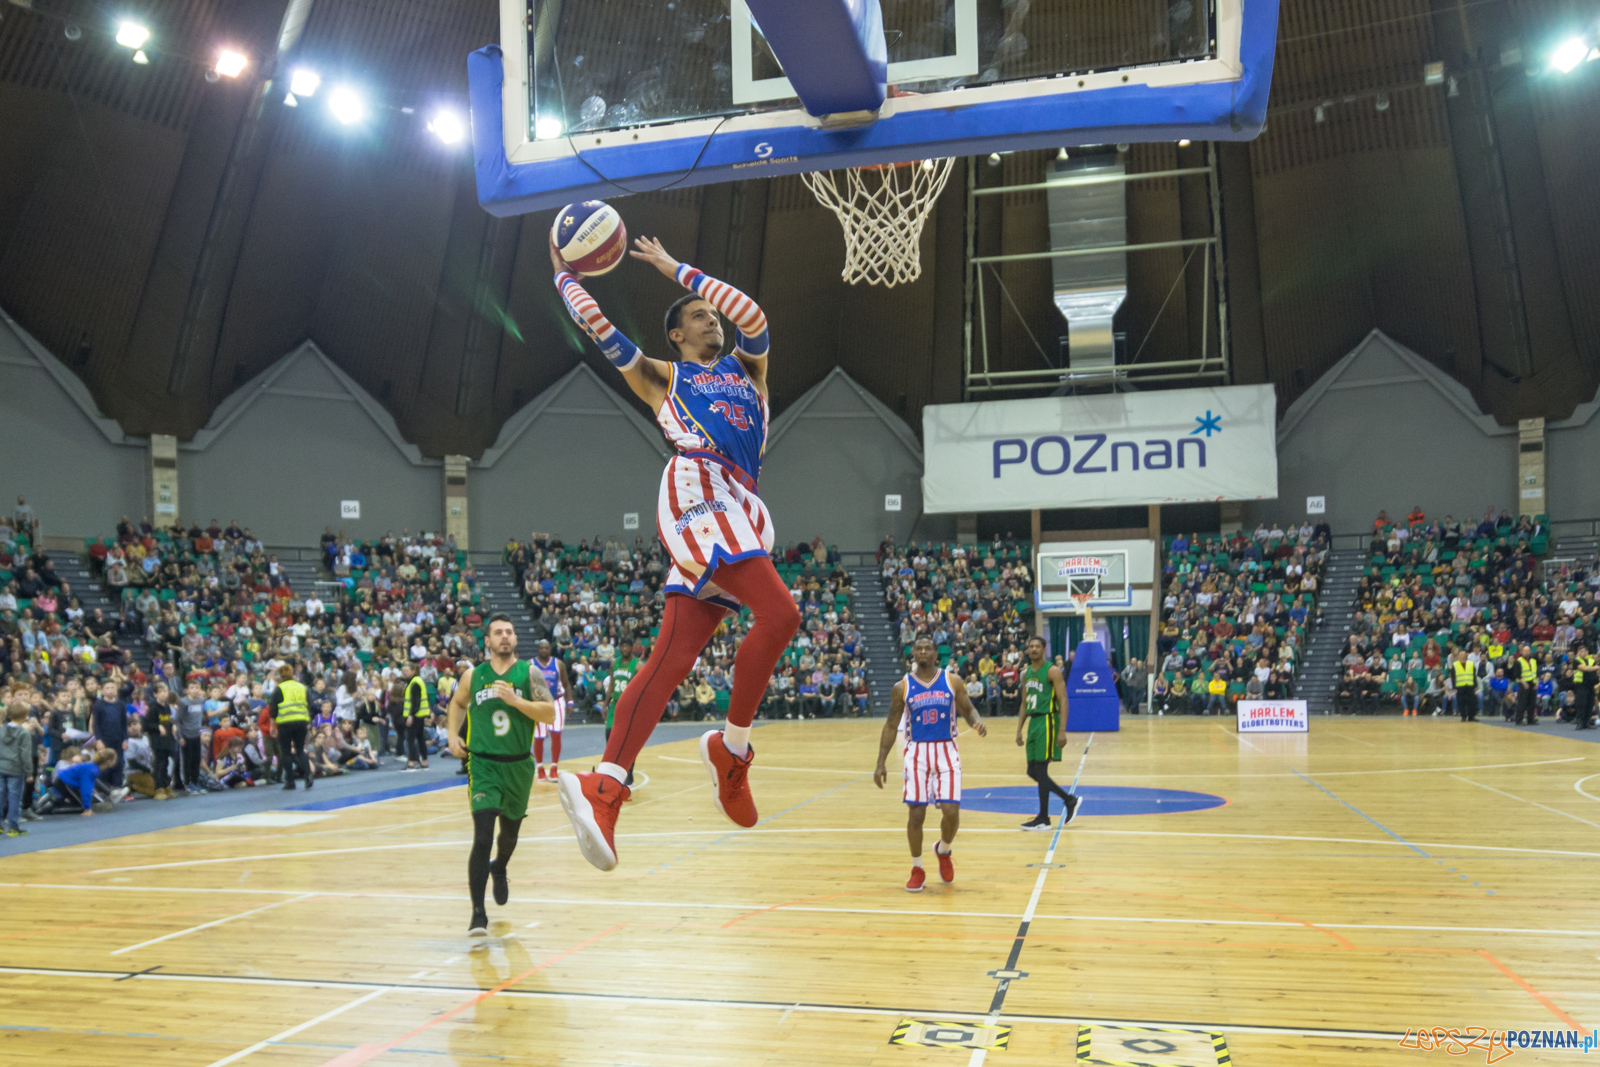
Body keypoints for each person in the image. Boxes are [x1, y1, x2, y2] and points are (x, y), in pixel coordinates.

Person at [552, 233, 800, 872]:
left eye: (712, 314)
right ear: (676, 335)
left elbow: (754, 317)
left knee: (672, 658)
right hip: (699, 484)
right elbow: (602, 331)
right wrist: (564, 279)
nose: (712, 319)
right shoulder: (664, 377)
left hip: (743, 502)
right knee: (781, 616)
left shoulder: (748, 370)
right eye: (698, 315)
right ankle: (731, 751)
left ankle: (607, 786)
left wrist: (678, 269)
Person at [445, 614, 556, 936]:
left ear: (515, 639)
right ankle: (478, 914)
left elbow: (550, 713)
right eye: (498, 632)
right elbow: (457, 704)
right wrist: (452, 735)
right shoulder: (473, 676)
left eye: (509, 632)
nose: (504, 636)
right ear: (488, 641)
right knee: (482, 837)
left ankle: (501, 866)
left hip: (518, 765)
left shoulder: (530, 673)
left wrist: (516, 700)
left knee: (508, 835)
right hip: (483, 765)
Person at [872, 636, 988, 891]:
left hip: (947, 750)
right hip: (917, 753)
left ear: (937, 654)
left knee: (951, 812)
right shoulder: (901, 686)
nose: (923, 652)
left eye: (928, 648)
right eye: (918, 648)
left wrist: (976, 721)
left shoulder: (952, 680)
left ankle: (943, 850)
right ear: (913, 654)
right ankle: (917, 868)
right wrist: (881, 762)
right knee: (916, 814)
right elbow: (891, 725)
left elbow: (968, 709)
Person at [1016, 635, 1080, 831]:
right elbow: (1024, 703)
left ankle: (1043, 818)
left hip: (1048, 720)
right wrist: (1019, 729)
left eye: (1037, 646)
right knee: (1032, 771)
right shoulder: (1025, 674)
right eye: (1031, 646)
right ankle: (1068, 800)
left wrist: (1062, 730)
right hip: (1033, 722)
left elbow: (1064, 700)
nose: (1033, 649)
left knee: (1041, 770)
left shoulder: (1052, 671)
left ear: (1044, 650)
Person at [267, 664, 313, 790]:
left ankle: (290, 781)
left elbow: (273, 710)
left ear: (281, 676)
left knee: (286, 752)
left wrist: (272, 727)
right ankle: (308, 775)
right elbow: (308, 705)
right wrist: (308, 722)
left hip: (285, 723)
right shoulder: (302, 687)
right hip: (301, 722)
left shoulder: (279, 689)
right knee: (300, 750)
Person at [604, 640, 642, 786]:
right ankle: (612, 772)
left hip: (630, 707)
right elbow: (612, 685)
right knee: (609, 736)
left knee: (628, 742)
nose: (625, 648)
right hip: (615, 704)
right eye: (622, 646)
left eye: (627, 646)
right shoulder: (614, 663)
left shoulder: (638, 665)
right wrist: (605, 704)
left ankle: (629, 773)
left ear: (632, 648)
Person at [531, 640, 570, 782]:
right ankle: (540, 768)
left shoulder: (559, 664)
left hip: (556, 701)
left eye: (546, 648)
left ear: (550, 649)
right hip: (539, 703)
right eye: (541, 648)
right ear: (538, 649)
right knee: (539, 736)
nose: (544, 650)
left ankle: (554, 768)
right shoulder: (530, 664)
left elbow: (566, 683)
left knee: (556, 734)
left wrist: (570, 701)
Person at [1, 704, 36, 836]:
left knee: (0, 795)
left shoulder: (1, 729)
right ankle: (13, 827)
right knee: (14, 798)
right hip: (15, 769)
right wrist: (29, 772)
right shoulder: (24, 733)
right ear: (25, 716)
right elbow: (25, 754)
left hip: (1, 767)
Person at [402, 664, 431, 771]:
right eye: (404, 670)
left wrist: (411, 715)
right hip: (420, 715)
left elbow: (416, 702)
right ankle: (424, 761)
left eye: (407, 670)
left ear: (414, 670)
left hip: (415, 715)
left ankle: (412, 762)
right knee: (420, 738)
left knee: (410, 739)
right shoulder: (418, 681)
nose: (405, 672)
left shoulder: (414, 683)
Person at [1512, 644, 1540, 726]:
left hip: (1533, 684)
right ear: (1522, 652)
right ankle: (1519, 720)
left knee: (1532, 703)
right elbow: (1517, 675)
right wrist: (1524, 683)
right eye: (1525, 651)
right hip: (1523, 684)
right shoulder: (1519, 661)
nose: (1527, 652)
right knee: (1522, 703)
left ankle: (1530, 719)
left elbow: (1536, 673)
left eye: (1528, 651)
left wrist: (1537, 683)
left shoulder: (1533, 661)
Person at [1450, 651, 1480, 723]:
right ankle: (1463, 716)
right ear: (1458, 656)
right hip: (1460, 686)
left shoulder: (1471, 664)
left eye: (1464, 654)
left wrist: (1475, 685)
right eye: (1461, 654)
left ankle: (1471, 717)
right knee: (1461, 702)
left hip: (1470, 685)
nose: (1463, 656)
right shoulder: (1455, 665)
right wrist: (1454, 687)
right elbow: (1453, 677)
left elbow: (1474, 675)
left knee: (1472, 702)